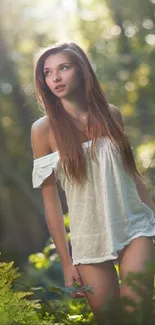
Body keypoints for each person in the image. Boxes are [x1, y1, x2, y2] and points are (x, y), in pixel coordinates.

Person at [31, 42, 155, 322]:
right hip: (88, 239)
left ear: (82, 70)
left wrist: (153, 221)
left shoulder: (111, 115)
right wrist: (67, 261)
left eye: (64, 68)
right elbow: (50, 202)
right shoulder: (43, 130)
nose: (56, 78)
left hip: (135, 227)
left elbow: (132, 174)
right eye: (49, 73)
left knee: (136, 315)